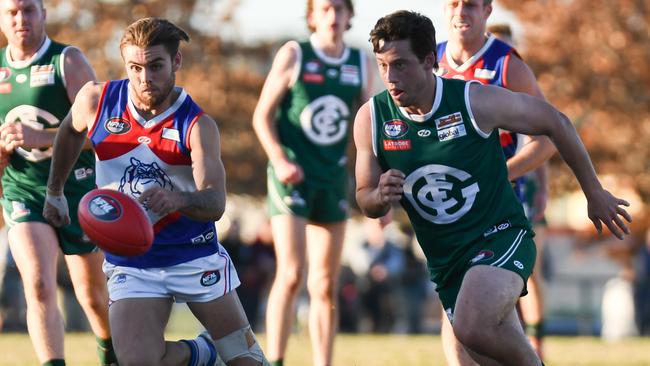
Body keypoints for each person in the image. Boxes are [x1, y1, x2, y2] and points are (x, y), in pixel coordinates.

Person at [354, 10, 631, 366]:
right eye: (382, 65)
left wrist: (594, 192)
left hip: (499, 235)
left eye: (400, 65)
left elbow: (555, 122)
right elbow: (364, 197)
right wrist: (379, 196)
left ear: (428, 61)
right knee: (473, 352)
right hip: (445, 260)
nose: (390, 77)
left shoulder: (474, 100)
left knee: (470, 327)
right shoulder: (372, 118)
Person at [43, 17, 268, 366]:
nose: (145, 78)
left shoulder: (197, 126)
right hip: (133, 263)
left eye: (155, 66)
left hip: (194, 256)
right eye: (135, 67)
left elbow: (215, 201)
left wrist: (179, 199)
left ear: (176, 62)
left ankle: (212, 350)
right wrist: (55, 191)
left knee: (246, 360)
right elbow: (71, 132)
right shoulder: (96, 101)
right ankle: (203, 352)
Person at [252, 0, 372, 365]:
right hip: (292, 177)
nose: (333, 16)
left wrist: (372, 178)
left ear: (350, 15)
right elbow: (262, 116)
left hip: (333, 178)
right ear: (312, 16)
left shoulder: (361, 62)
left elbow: (370, 128)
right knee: (291, 274)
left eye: (339, 8)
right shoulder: (295, 54)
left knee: (324, 284)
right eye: (325, 8)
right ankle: (276, 359)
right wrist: (279, 158)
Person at [436, 1, 555, 361]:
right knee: (457, 311)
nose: (461, 12)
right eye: (454, 3)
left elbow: (548, 136)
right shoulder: (429, 60)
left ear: (487, 9)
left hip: (495, 210)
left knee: (478, 314)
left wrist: (502, 174)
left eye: (471, 4)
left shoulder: (507, 64)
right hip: (447, 209)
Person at [0, 0, 116, 365]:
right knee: (38, 284)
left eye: (29, 10)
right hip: (23, 190)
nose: (21, 20)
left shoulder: (67, 61)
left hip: (77, 188)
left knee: (93, 296)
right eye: (12, 12)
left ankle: (111, 353)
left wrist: (45, 136)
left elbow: (103, 131)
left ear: (44, 13)